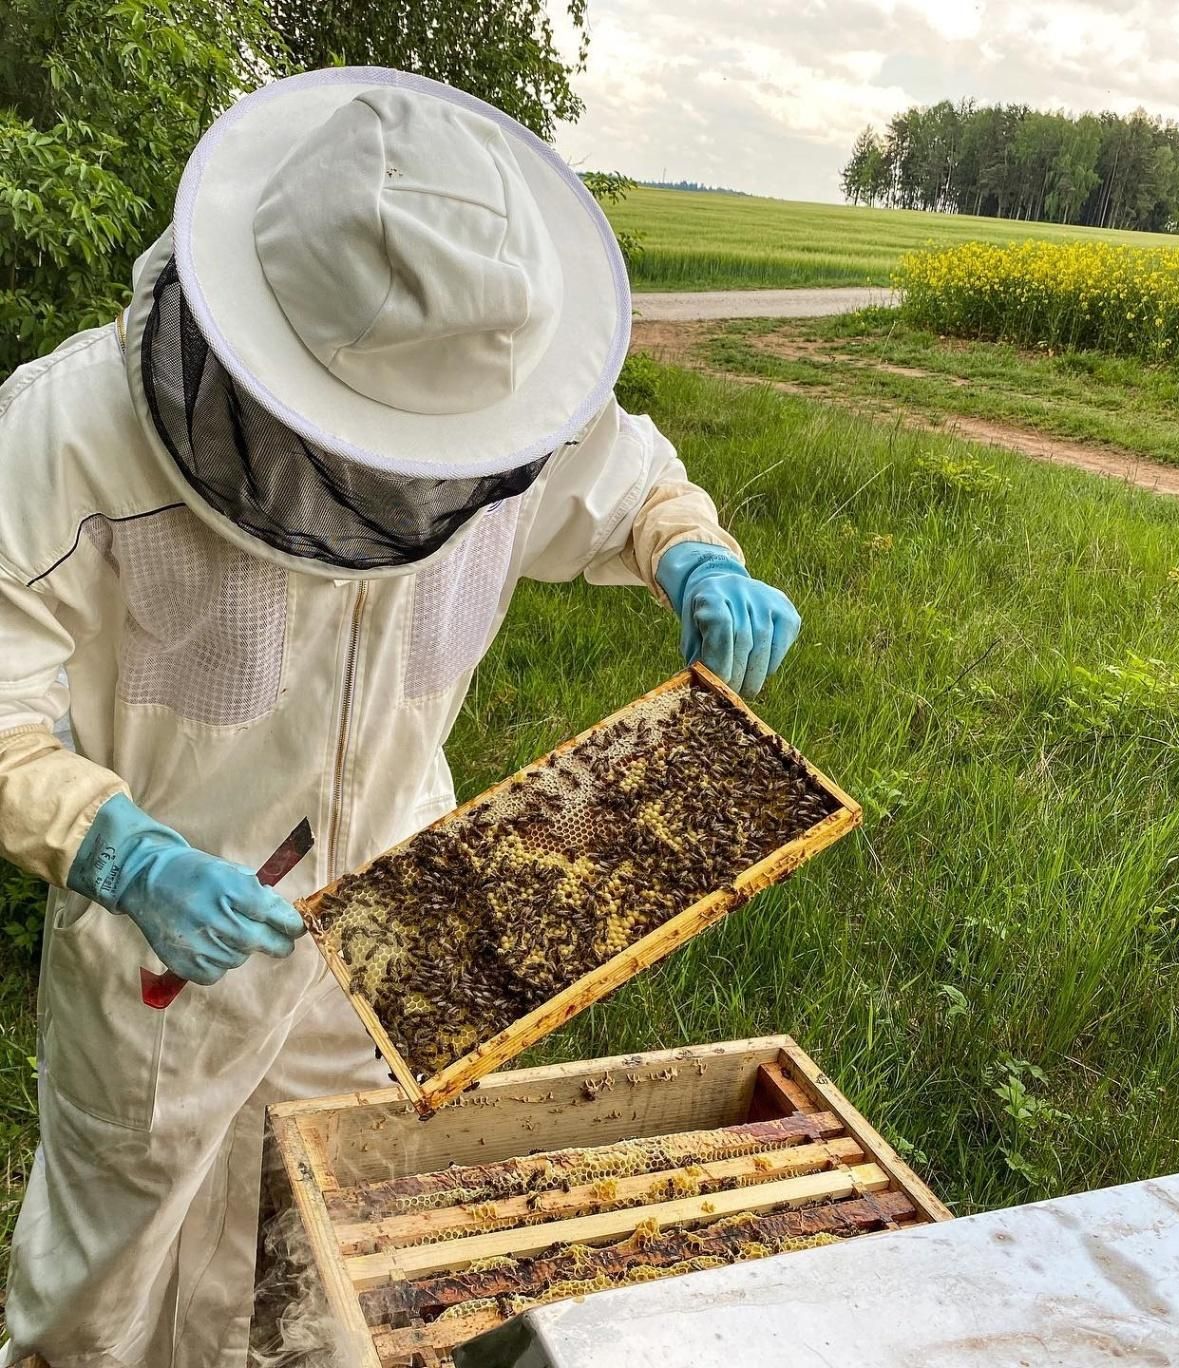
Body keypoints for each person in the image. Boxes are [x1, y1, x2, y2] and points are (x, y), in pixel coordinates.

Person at [0, 68, 799, 1367]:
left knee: (345, 1271)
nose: (426, 481)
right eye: (382, 446)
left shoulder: (499, 410)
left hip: (411, 915)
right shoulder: (68, 434)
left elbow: (631, 474)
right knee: (113, 1292)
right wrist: (113, 849)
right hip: (167, 947)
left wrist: (693, 552)